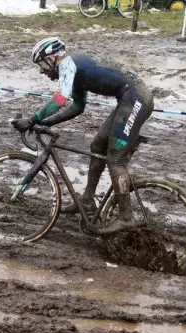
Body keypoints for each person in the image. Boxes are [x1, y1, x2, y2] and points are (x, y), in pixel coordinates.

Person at [12, 37, 155, 235]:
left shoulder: (67, 65)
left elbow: (60, 99)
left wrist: (32, 119)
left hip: (136, 98)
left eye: (42, 64)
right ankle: (87, 201)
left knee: (116, 160)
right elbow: (78, 107)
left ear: (53, 58)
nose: (41, 70)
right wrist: (46, 122)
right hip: (128, 98)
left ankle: (126, 217)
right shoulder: (74, 70)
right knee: (97, 147)